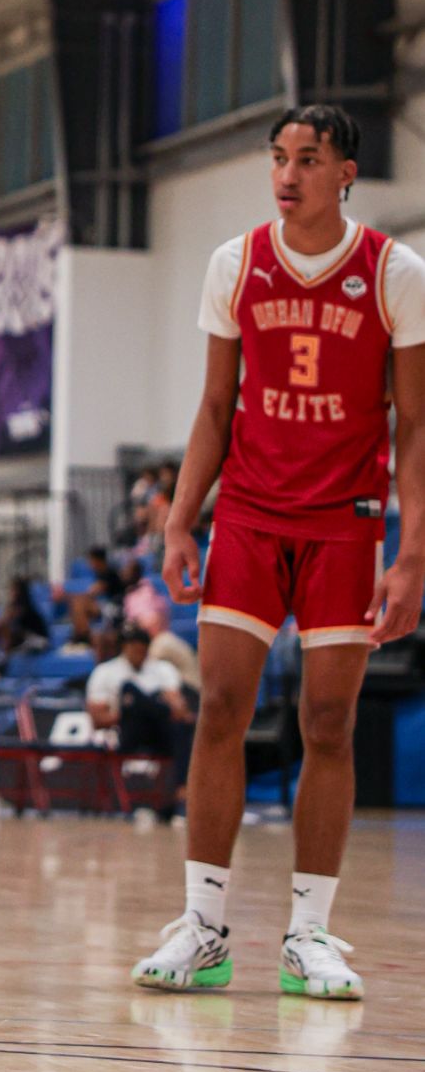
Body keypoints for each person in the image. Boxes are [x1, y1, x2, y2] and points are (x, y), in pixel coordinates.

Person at [133, 105, 425, 1001]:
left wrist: (410, 555)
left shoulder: (394, 271)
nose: (288, 173)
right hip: (253, 516)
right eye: (279, 158)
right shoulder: (235, 263)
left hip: (346, 519)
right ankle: (206, 926)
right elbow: (216, 408)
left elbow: (414, 424)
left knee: (327, 726)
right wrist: (183, 520)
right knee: (221, 705)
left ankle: (309, 933)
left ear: (347, 173)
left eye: (309, 158)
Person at [85, 622, 195, 804]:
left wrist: (148, 707)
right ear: (124, 647)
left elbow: (180, 710)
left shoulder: (162, 669)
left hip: (159, 732)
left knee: (181, 727)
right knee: (131, 692)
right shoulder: (105, 672)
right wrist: (130, 711)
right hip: (126, 731)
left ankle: (181, 792)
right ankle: (143, 704)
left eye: (141, 646)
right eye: (132, 646)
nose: (137, 651)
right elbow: (98, 720)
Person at [61, 546, 125, 648]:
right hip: (105, 607)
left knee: (80, 603)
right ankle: (81, 634)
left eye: (91, 560)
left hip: (116, 608)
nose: (89, 563)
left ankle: (83, 636)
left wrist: (66, 596)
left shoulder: (110, 574)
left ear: (97, 560)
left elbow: (93, 592)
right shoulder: (99, 574)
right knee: (78, 602)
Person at [0, 576, 51, 672]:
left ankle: (3, 661)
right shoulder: (13, 605)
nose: (11, 592)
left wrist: (1, 622)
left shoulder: (25, 606)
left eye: (13, 589)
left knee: (5, 628)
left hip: (38, 640)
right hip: (23, 640)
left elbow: (8, 621)